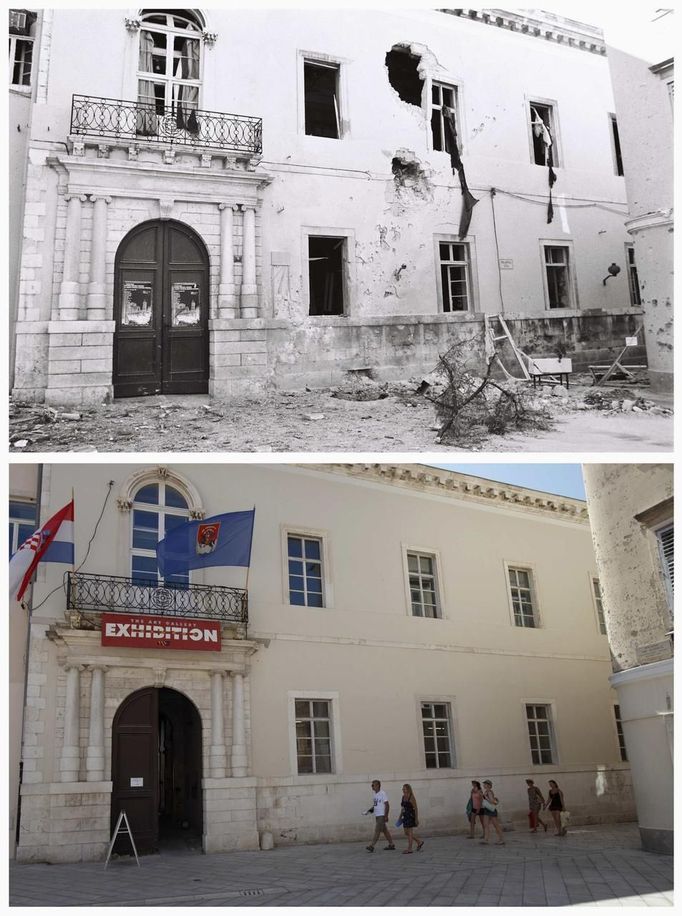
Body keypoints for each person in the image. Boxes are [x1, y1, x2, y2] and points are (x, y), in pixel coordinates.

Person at [365, 780, 395, 851]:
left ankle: (372, 846)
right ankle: (391, 844)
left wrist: (386, 815)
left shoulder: (382, 793)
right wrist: (368, 812)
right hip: (377, 815)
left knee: (377, 830)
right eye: (372, 785)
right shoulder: (375, 795)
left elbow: (387, 804)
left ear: (378, 785)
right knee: (385, 830)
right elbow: (375, 806)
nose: (372, 787)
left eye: (373, 785)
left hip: (382, 815)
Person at [399, 784, 424, 854]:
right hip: (405, 816)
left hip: (410, 816)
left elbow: (416, 808)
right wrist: (400, 817)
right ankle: (419, 842)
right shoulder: (403, 797)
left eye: (404, 789)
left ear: (408, 789)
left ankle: (409, 849)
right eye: (402, 789)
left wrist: (416, 819)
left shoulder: (411, 797)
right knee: (406, 833)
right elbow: (403, 808)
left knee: (409, 832)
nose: (403, 790)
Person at [479, 779, 505, 845]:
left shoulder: (489, 792)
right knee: (485, 825)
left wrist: (484, 797)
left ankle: (501, 839)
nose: (483, 785)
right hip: (486, 810)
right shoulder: (486, 792)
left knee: (496, 825)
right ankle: (486, 840)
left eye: (485, 784)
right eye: (484, 784)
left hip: (491, 810)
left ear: (488, 785)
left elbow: (491, 801)